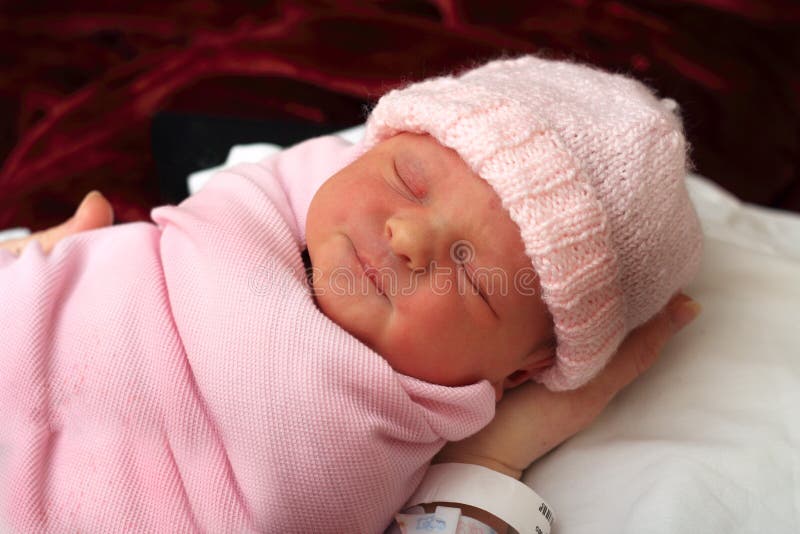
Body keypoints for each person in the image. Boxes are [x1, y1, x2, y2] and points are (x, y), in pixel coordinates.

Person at [0, 56, 703, 533]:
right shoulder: (247, 210)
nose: (406, 235)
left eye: (471, 272)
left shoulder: (412, 450)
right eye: (408, 179)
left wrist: (493, 460)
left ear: (517, 371)